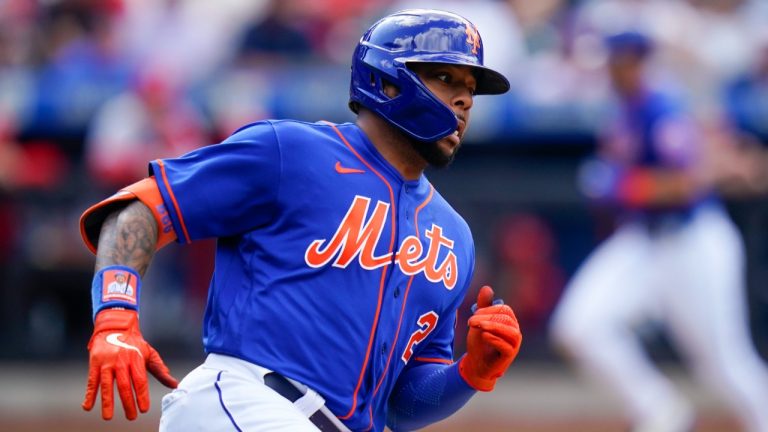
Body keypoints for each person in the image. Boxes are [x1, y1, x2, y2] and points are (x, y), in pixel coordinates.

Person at [78, 9, 522, 432]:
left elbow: (402, 407)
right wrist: (116, 316)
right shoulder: (290, 151)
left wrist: (470, 372)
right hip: (246, 398)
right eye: (446, 78)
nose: (464, 99)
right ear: (388, 82)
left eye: (470, 87)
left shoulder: (453, 238)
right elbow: (138, 210)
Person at [549, 30, 768, 432]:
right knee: (579, 326)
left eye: (619, 61)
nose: (612, 70)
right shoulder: (623, 109)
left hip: (692, 242)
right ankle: (661, 410)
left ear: (635, 61)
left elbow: (688, 183)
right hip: (643, 241)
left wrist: (622, 184)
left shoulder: (662, 107)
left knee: (724, 366)